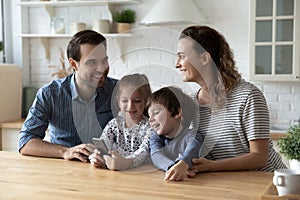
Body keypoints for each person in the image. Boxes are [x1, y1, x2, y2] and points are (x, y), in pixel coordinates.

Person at [175, 25, 286, 173]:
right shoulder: (191, 104)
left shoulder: (248, 96)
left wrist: (211, 166)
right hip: (228, 184)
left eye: (182, 56)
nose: (177, 64)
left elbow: (259, 157)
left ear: (204, 58)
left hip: (267, 182)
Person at [18, 30, 117, 163]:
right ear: (74, 64)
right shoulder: (50, 94)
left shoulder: (119, 91)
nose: (101, 68)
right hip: (64, 170)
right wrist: (65, 151)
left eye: (104, 60)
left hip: (109, 170)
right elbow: (26, 143)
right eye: (92, 63)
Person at [89, 73, 153, 170]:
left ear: (146, 101)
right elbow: (103, 144)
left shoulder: (150, 127)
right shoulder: (114, 124)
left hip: (142, 173)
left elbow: (143, 152)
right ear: (118, 101)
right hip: (117, 173)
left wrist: (125, 163)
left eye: (137, 101)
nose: (130, 106)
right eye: (124, 101)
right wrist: (97, 156)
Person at [147, 86, 203, 181]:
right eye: (149, 115)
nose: (150, 119)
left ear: (177, 112)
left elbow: (192, 151)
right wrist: (174, 168)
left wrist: (183, 164)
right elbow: (156, 156)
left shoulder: (193, 136)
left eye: (155, 113)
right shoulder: (155, 138)